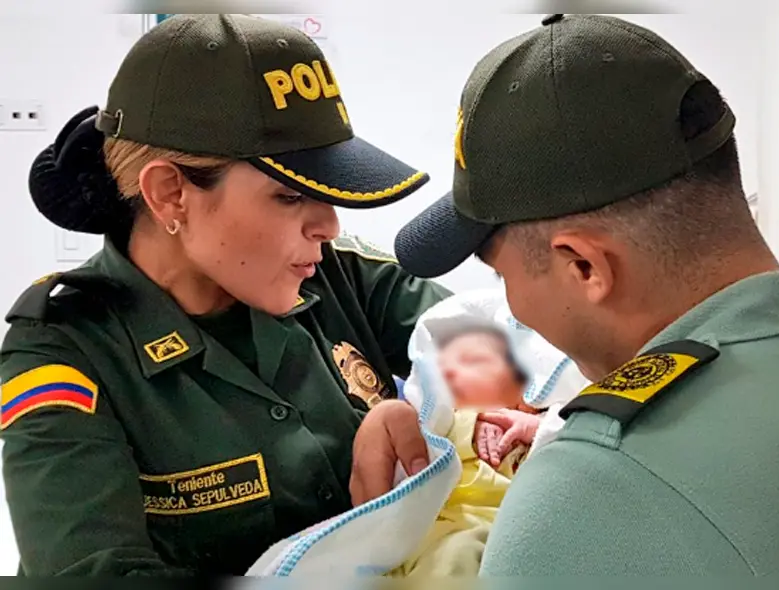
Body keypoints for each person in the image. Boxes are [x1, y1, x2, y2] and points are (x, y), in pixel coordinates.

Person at [394, 14, 779, 576]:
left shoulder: (581, 499)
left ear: (584, 266)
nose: (515, 308)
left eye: (502, 276)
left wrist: (585, 470)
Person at [0, 14, 449, 576]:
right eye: (290, 196)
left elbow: (506, 350)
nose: (329, 226)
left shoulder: (341, 274)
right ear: (170, 193)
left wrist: (419, 416)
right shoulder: (64, 350)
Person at [387, 326, 544, 577]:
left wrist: (536, 427)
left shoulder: (546, 423)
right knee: (452, 555)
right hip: (453, 517)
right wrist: (472, 425)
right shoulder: (457, 416)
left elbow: (566, 437)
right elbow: (435, 442)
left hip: (509, 522)